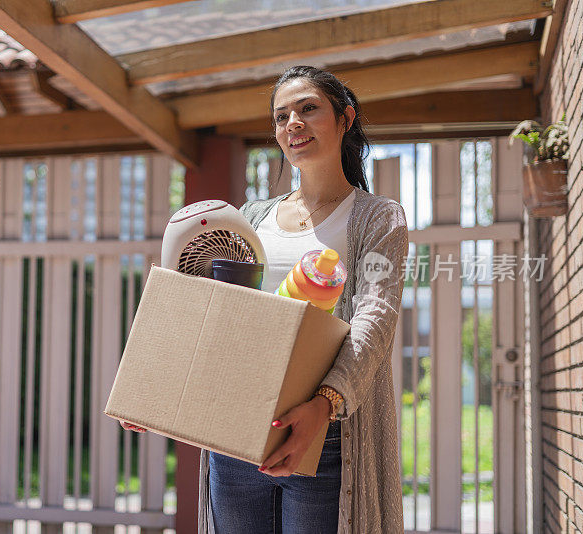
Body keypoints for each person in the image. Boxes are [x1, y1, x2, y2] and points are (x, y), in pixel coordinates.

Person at [123, 65, 408, 534]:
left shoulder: (378, 218)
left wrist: (324, 405)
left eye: (308, 109)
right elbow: (210, 308)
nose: (292, 123)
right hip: (234, 431)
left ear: (345, 119)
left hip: (326, 435)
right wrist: (158, 386)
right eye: (281, 116)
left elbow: (374, 317)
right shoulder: (251, 217)